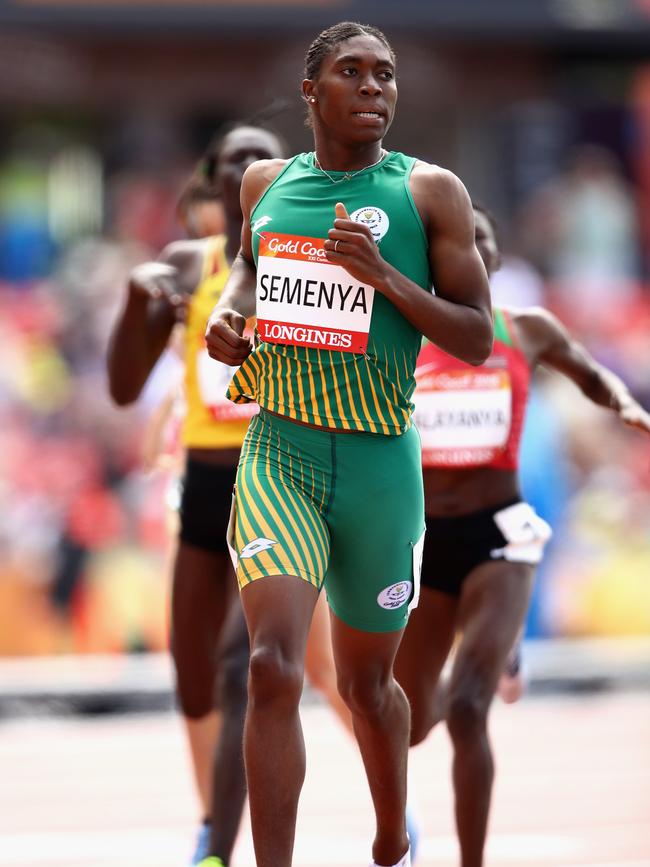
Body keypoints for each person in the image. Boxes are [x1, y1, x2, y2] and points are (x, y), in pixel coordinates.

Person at [204, 21, 492, 867]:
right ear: (311, 92)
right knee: (271, 665)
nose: (373, 88)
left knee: (369, 687)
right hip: (279, 450)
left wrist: (386, 278)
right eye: (352, 73)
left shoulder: (431, 193)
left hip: (378, 462)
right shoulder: (267, 183)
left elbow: (477, 337)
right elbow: (250, 269)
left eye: (386, 75)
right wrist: (233, 315)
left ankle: (391, 835)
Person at [395, 203, 650, 867]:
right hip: (425, 542)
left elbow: (584, 368)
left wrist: (622, 402)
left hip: (500, 535)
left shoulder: (524, 329)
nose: (469, 252)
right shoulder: (401, 336)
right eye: (455, 243)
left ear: (496, 259)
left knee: (472, 708)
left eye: (480, 241)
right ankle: (496, 651)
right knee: (413, 722)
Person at [107, 123, 284, 866]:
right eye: (232, 158)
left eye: (261, 157)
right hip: (206, 481)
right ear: (214, 181)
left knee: (278, 668)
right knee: (193, 671)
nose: (245, 167)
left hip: (277, 476)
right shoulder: (188, 261)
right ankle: (215, 816)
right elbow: (122, 387)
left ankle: (390, 802)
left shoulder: (300, 258)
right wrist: (135, 303)